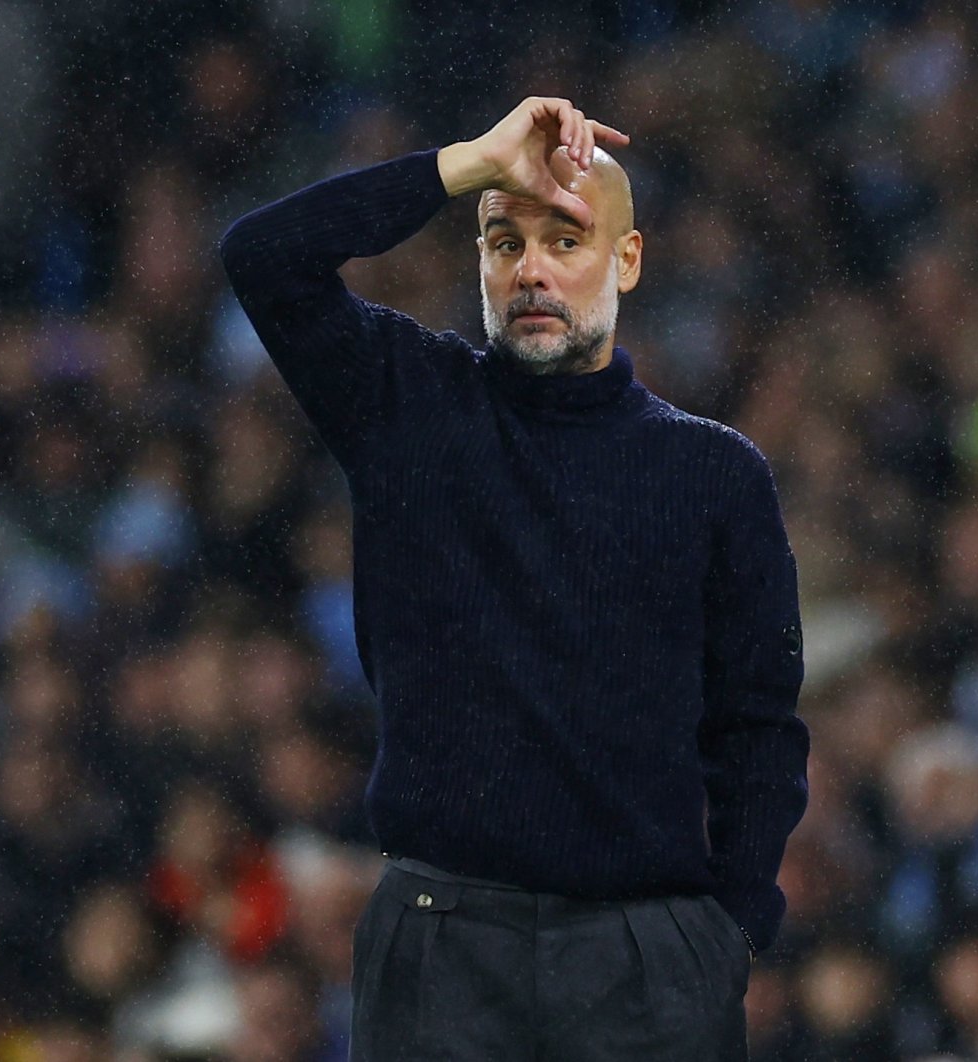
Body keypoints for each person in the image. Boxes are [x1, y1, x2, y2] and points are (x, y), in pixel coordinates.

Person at [219, 97, 809, 1060]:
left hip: (646, 955)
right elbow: (262, 256)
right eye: (502, 241)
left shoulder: (715, 472)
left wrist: (728, 932)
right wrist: (464, 163)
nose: (529, 268)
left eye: (565, 238)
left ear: (627, 261)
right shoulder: (408, 405)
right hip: (440, 938)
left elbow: (760, 726)